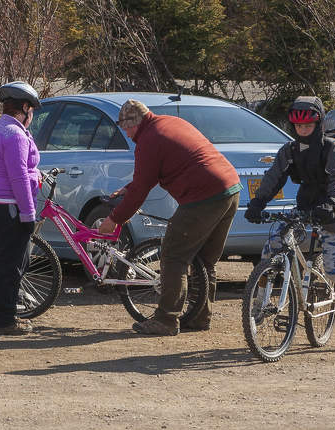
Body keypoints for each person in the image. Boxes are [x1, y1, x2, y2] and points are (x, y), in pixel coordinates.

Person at [98, 99, 241, 335]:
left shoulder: (148, 140)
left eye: (125, 127)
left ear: (133, 123)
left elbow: (141, 190)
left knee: (174, 255)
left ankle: (166, 319)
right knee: (203, 261)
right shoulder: (168, 123)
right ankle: (199, 317)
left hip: (203, 197)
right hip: (229, 189)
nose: (126, 133)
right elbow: (149, 175)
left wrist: (114, 219)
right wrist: (129, 187)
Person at [245, 97, 335, 328]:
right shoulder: (290, 150)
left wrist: (330, 204)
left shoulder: (331, 147)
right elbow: (274, 176)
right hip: (306, 205)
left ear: (318, 124)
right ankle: (259, 302)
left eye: (308, 126)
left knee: (334, 268)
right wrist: (258, 202)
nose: (303, 130)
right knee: (271, 249)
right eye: (299, 126)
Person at [0, 82, 43, 336]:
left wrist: (35, 175)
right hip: (7, 206)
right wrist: (28, 214)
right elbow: (18, 177)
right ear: (24, 108)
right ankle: (2, 320)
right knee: (10, 265)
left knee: (8, 261)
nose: (32, 117)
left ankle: (2, 313)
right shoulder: (14, 134)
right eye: (32, 111)